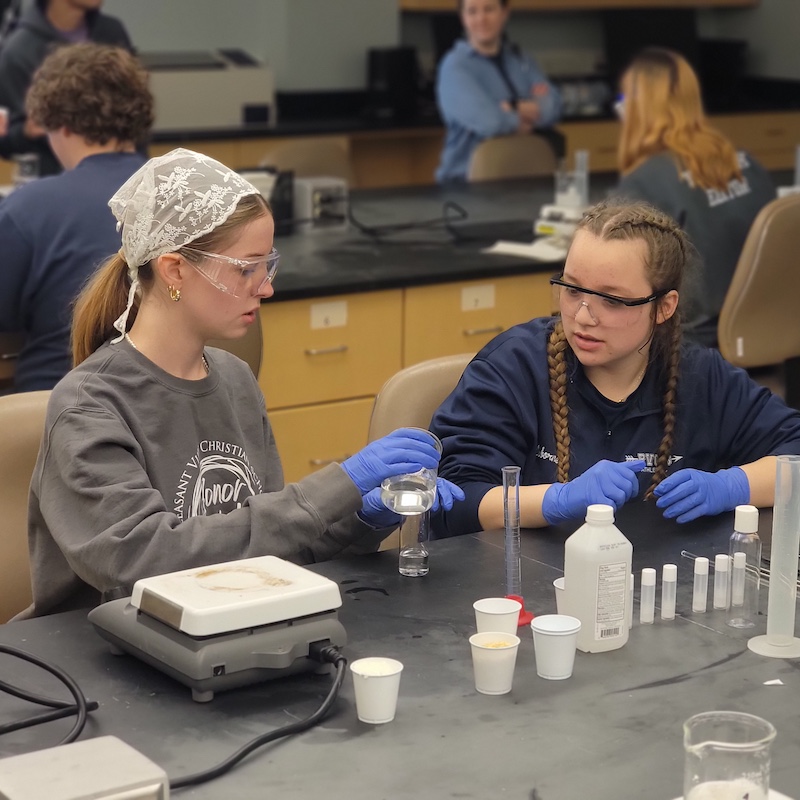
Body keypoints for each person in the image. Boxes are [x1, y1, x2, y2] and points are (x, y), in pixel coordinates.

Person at [24, 148, 464, 617]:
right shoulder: (89, 404)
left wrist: (363, 516)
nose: (266, 287)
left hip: (220, 630)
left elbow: (265, 546)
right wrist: (339, 482)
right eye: (246, 268)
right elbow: (140, 561)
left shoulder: (233, 378)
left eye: (267, 266)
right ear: (174, 270)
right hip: (101, 658)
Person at [430, 199, 800, 537]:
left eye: (611, 300)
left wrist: (733, 486)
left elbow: (794, 453)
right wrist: (555, 501)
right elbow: (454, 503)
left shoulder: (701, 378)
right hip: (530, 593)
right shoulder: (513, 367)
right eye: (572, 290)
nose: (583, 316)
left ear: (664, 307)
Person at [0, 42, 151, 392]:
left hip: (58, 410)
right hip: (167, 409)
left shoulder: (30, 208)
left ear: (61, 125)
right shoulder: (186, 195)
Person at [613, 47, 776, 348]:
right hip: (771, 330)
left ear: (638, 107)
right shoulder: (746, 163)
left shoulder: (645, 181)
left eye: (624, 100)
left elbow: (621, 279)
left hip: (695, 346)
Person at [0, 0, 132, 177]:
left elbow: (135, 108)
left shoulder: (111, 33)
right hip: (53, 179)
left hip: (122, 174)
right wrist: (27, 131)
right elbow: (6, 140)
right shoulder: (19, 51)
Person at [434, 0, 561, 183]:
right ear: (462, 17)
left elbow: (553, 105)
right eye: (472, 11)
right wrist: (522, 117)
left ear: (504, 12)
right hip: (466, 186)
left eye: (489, 9)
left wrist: (510, 107)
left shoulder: (521, 60)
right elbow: (489, 122)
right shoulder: (455, 67)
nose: (481, 19)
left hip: (526, 179)